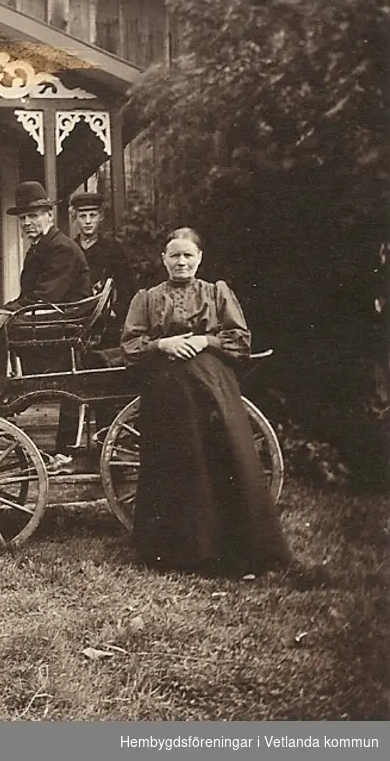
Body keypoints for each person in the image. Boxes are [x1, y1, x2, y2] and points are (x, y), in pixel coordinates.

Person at [120, 228, 293, 577]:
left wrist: (204, 340)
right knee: (180, 455)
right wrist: (161, 345)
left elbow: (239, 340)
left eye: (188, 255)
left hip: (212, 388)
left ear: (199, 258)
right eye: (174, 255)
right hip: (167, 392)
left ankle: (231, 548)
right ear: (163, 260)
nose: (181, 261)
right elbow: (130, 345)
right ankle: (175, 551)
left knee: (221, 451)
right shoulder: (148, 298)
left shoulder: (216, 293)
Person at [0, 181, 92, 464]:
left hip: (62, 328)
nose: (27, 223)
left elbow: (43, 299)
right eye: (23, 218)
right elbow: (30, 298)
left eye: (33, 215)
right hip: (48, 321)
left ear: (49, 216)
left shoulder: (61, 250)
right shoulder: (40, 248)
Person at [69, 190, 136, 344]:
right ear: (75, 218)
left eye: (92, 215)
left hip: (106, 324)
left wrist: (114, 314)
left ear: (100, 217)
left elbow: (127, 289)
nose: (87, 221)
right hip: (74, 322)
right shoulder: (69, 250)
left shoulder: (113, 250)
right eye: (82, 216)